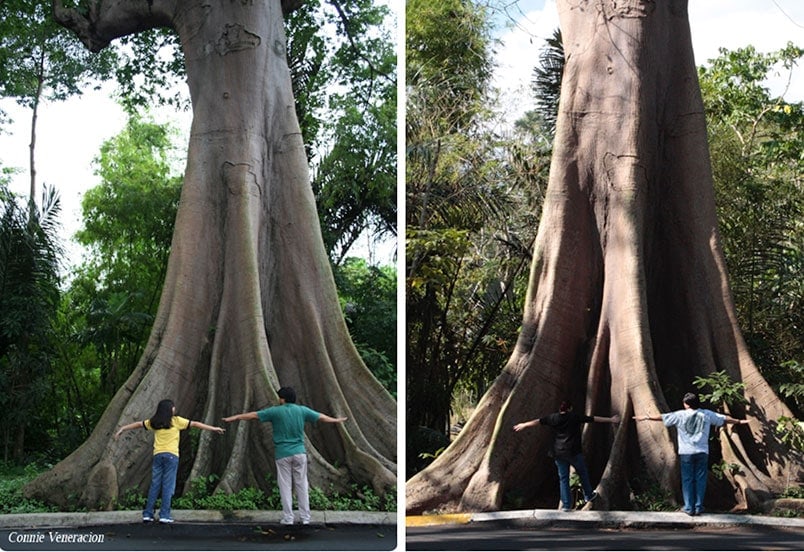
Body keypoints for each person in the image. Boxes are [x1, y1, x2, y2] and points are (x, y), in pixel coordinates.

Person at [222, 386, 347, 525]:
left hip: (282, 454)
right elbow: (320, 416)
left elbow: (254, 415)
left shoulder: (275, 411)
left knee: (285, 486)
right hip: (300, 453)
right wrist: (335, 420)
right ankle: (305, 518)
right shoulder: (302, 410)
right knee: (302, 485)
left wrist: (236, 417)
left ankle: (288, 518)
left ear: (282, 399)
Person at [634, 391, 749, 516]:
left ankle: (689, 507)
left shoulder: (680, 415)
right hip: (702, 452)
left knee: (687, 479)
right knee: (700, 479)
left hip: (686, 453)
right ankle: (698, 507)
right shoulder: (706, 414)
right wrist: (738, 421)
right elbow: (724, 418)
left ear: (686, 404)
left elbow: (663, 416)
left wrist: (647, 417)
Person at [115, 398, 225, 523]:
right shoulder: (176, 421)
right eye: (173, 407)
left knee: (155, 484)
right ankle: (164, 515)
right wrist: (213, 428)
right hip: (171, 457)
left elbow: (139, 424)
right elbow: (195, 424)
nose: (174, 408)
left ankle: (148, 514)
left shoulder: (154, 422)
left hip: (158, 456)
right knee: (168, 486)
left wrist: (123, 428)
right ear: (169, 409)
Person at [513, 400, 620, 512]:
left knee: (563, 479)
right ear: (570, 409)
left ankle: (566, 505)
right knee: (582, 473)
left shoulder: (553, 418)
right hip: (573, 452)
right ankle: (588, 495)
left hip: (558, 453)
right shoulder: (574, 417)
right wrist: (611, 419)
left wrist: (524, 424)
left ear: (560, 409)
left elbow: (538, 421)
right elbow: (592, 418)